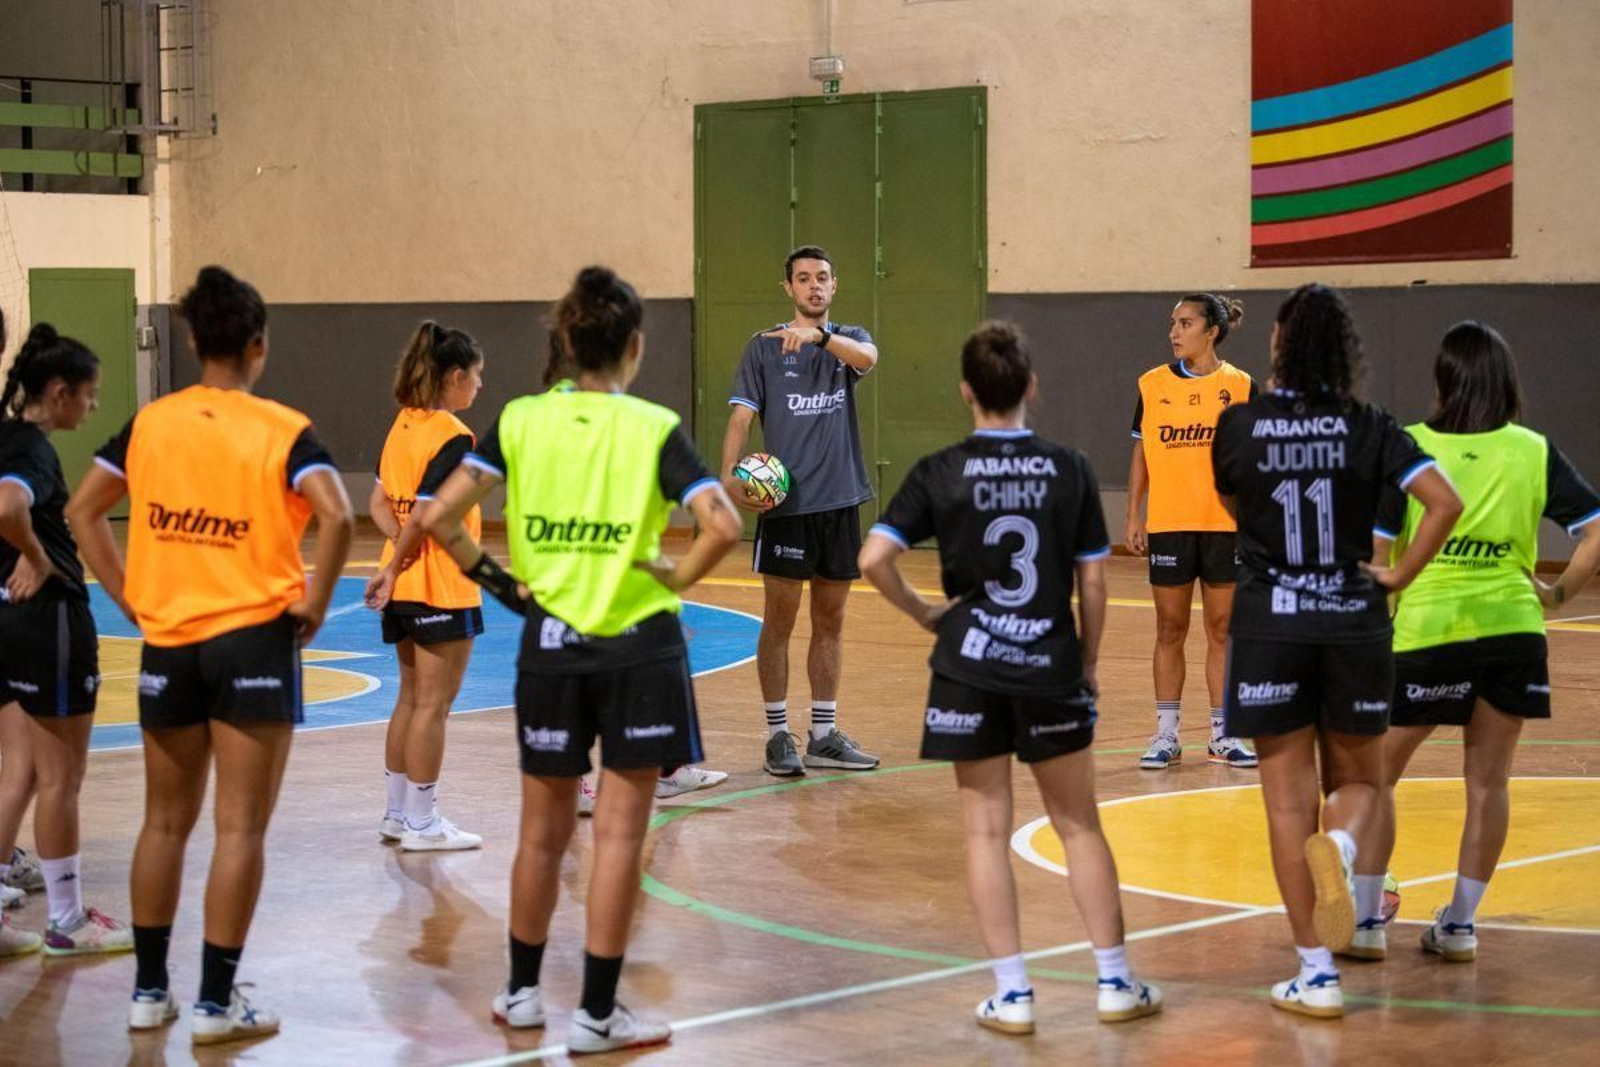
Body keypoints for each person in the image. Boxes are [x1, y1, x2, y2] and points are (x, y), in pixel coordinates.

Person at [419, 266, 740, 1054]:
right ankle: (598, 1012)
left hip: (551, 643)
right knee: (623, 834)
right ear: (633, 347)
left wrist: (500, 584)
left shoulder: (520, 421)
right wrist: (678, 575)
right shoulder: (654, 426)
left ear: (564, 342)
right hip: (641, 648)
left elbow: (438, 515)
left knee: (542, 833)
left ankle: (522, 993)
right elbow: (722, 522)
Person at [67, 266, 354, 1044]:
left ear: (193, 339)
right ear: (257, 345)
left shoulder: (151, 421)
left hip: (171, 643)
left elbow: (82, 509)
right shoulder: (284, 429)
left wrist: (131, 597)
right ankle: (215, 1004)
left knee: (163, 824)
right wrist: (317, 601)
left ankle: (148, 992)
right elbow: (338, 514)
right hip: (253, 642)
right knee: (239, 830)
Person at [859, 321, 1161, 1034]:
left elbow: (873, 558)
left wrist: (927, 613)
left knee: (984, 832)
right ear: (1030, 386)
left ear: (966, 390)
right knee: (1079, 824)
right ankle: (1116, 981)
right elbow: (1093, 581)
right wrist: (1084, 661)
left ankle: (1014, 993)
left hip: (967, 664)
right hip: (1048, 661)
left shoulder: (940, 469)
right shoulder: (1070, 467)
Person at [1211, 283, 1461, 1018]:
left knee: (1287, 805)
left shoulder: (1239, 423)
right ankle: (1348, 854)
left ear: (1281, 341)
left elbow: (1235, 505)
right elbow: (1444, 500)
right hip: (1353, 619)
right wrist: (1399, 572)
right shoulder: (1371, 425)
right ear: (1344, 346)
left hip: (1268, 623)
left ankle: (1315, 973)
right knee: (1360, 782)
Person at [1351, 322, 1600, 962]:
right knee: (1489, 784)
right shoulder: (1533, 450)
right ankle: (1460, 925)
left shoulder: (1410, 446)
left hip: (1429, 631)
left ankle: (1365, 922)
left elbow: (1377, 556)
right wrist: (1559, 595)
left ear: (1442, 380)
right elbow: (1595, 530)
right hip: (1514, 631)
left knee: (1375, 779)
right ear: (1507, 381)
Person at [721, 245, 880, 776]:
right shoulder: (762, 349)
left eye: (823, 278)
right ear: (787, 288)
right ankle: (776, 735)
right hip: (786, 506)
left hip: (840, 503)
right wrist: (728, 476)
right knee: (780, 622)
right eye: (804, 278)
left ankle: (824, 734)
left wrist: (821, 338)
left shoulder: (848, 340)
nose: (815, 286)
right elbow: (741, 419)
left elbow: (869, 359)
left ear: (834, 288)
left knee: (830, 621)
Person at [0, 324, 129, 959]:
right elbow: (7, 507)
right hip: (48, 623)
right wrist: (35, 554)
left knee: (18, 774)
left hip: (8, 622)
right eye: (88, 394)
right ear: (56, 392)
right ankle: (67, 920)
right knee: (60, 780)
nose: (94, 406)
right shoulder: (30, 450)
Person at [363, 322, 487, 851]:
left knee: (411, 700)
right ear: (454, 376)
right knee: (433, 706)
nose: (479, 387)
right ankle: (422, 823)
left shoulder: (403, 425)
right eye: (476, 377)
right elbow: (433, 515)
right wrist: (409, 551)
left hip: (403, 575)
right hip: (438, 583)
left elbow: (378, 502)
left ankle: (397, 815)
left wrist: (396, 551)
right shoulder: (452, 436)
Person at [1125, 294, 1258, 770]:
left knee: (1223, 631)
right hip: (1170, 524)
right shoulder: (1152, 384)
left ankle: (1223, 735)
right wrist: (1133, 515)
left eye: (1185, 324)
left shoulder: (1241, 386)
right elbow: (1141, 453)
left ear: (1212, 332)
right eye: (1173, 324)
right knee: (1169, 629)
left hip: (1224, 527)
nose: (1174, 332)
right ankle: (1166, 734)